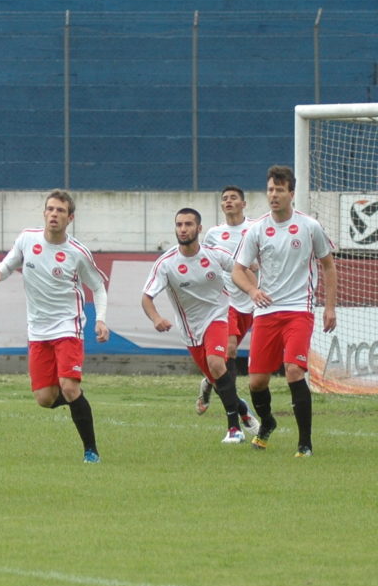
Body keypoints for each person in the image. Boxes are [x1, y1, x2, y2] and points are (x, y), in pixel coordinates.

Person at [0, 189, 108, 463]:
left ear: (70, 218)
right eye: (50, 209)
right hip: (37, 330)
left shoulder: (77, 252)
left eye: (60, 211)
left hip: (68, 326)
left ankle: (91, 451)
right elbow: (9, 263)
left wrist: (100, 319)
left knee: (69, 387)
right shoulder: (27, 239)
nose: (54, 214)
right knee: (44, 398)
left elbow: (98, 287)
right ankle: (76, 398)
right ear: (44, 213)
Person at [231, 165, 337, 457]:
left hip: (299, 311)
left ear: (291, 193)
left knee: (293, 370)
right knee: (257, 382)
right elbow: (238, 270)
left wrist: (329, 307)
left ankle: (305, 444)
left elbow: (328, 265)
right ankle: (267, 422)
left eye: (279, 190)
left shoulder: (309, 226)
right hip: (266, 314)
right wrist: (253, 291)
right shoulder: (257, 229)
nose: (274, 195)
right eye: (270, 190)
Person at [141, 208, 254, 444]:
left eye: (189, 224)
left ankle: (234, 429)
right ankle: (241, 408)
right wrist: (156, 319)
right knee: (217, 378)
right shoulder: (166, 263)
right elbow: (146, 298)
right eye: (179, 225)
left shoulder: (215, 254)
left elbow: (239, 270)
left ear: (199, 229)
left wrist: (256, 292)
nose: (183, 229)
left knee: (217, 363)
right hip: (191, 330)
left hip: (218, 315)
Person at [194, 185, 260, 434]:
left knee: (222, 361)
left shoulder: (255, 228)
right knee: (230, 348)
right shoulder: (213, 234)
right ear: (221, 206)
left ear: (244, 203)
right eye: (225, 199)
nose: (229, 201)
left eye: (234, 198)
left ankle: (210, 383)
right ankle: (239, 416)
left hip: (250, 300)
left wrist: (256, 265)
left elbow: (267, 254)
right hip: (224, 300)